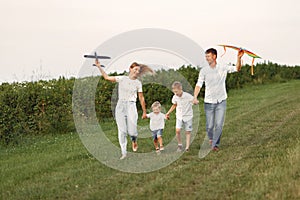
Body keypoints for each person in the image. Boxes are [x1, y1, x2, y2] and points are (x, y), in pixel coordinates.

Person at [95, 60, 154, 160]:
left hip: (131, 106)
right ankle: (124, 153)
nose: (136, 72)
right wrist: (99, 67)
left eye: (138, 71)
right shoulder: (122, 78)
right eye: (135, 69)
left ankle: (134, 140)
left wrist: (144, 111)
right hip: (120, 106)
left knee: (132, 131)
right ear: (130, 69)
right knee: (122, 131)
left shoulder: (138, 83)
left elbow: (141, 98)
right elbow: (107, 77)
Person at [193, 48, 244, 151]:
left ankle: (215, 145)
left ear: (214, 56)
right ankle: (211, 138)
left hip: (221, 100)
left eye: (208, 56)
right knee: (210, 126)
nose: (206, 58)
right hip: (209, 102)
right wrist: (194, 97)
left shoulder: (222, 67)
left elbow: (237, 69)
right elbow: (199, 84)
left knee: (219, 124)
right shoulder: (204, 71)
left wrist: (238, 58)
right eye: (206, 56)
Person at [166, 81, 194, 152]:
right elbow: (174, 105)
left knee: (187, 131)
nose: (176, 93)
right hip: (179, 116)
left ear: (180, 88)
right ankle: (180, 145)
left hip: (188, 116)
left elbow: (194, 101)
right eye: (174, 92)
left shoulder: (187, 96)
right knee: (177, 131)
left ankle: (187, 147)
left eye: (176, 91)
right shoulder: (175, 97)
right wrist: (168, 113)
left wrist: (195, 102)